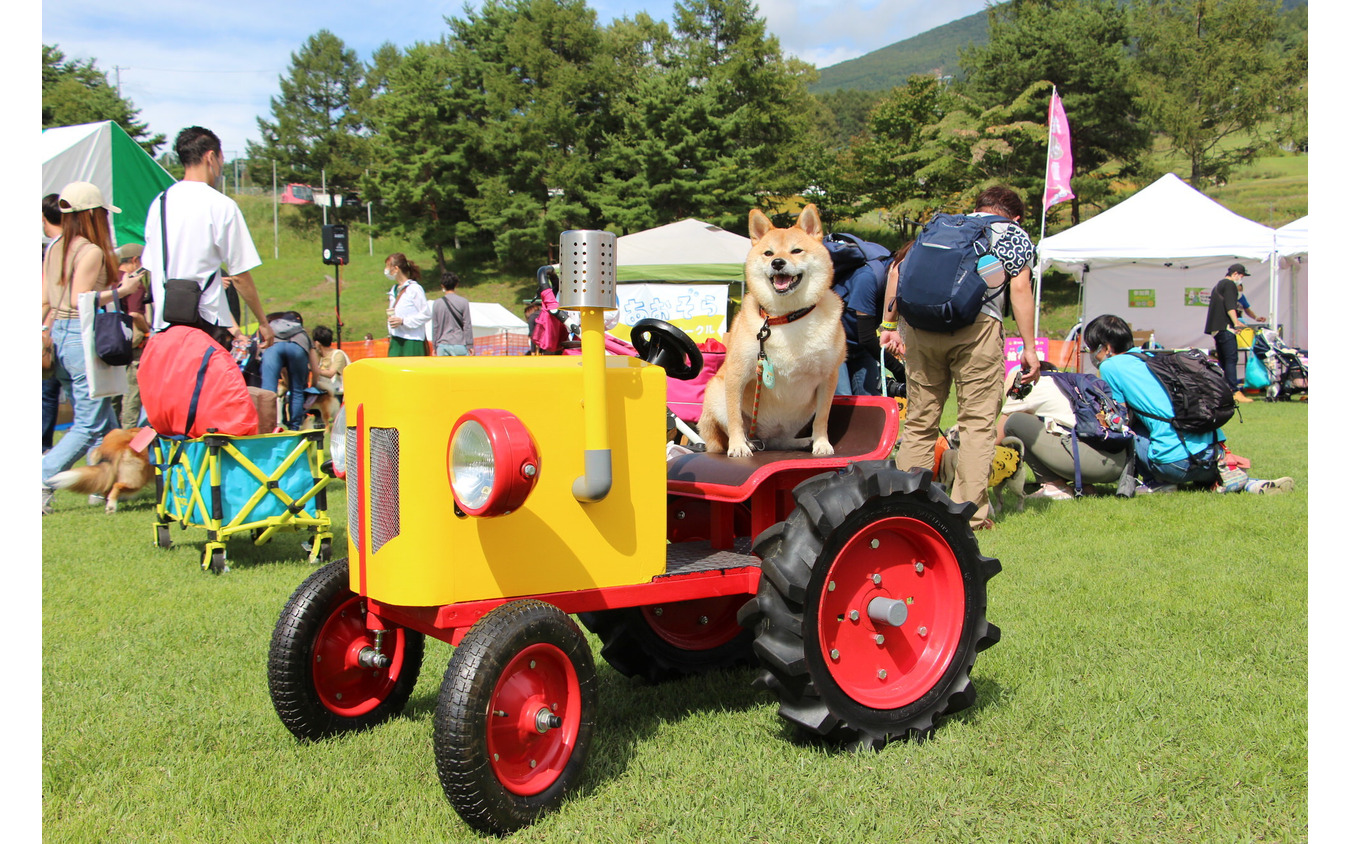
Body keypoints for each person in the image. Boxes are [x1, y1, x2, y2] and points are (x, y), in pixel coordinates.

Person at [887, 186, 1041, 530]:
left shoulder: (943, 225)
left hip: (923, 327)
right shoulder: (1011, 233)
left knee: (919, 422)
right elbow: (1019, 288)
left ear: (980, 207)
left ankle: (904, 510)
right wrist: (1029, 348)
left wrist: (891, 324)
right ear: (1015, 216)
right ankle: (967, 519)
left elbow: (897, 270)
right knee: (977, 425)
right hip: (977, 328)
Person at [1085, 314, 1292, 494]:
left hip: (1171, 465)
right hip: (1211, 457)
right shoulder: (1151, 357)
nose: (1092, 354)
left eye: (1092, 348)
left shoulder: (1111, 366)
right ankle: (1250, 485)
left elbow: (1121, 417)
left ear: (1107, 348)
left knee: (1128, 428)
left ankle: (1155, 483)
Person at [41, 181, 143, 514]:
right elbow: (80, 300)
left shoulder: (55, 246)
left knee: (107, 423)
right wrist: (123, 289)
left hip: (58, 336)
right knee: (87, 425)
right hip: (80, 338)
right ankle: (41, 479)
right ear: (93, 215)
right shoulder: (91, 250)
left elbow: (46, 298)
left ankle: (100, 488)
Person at [141, 126, 274, 351]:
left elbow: (150, 264)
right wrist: (263, 322)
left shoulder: (160, 203)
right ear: (211, 157)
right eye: (221, 160)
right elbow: (239, 274)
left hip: (165, 323)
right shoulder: (221, 205)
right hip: (205, 324)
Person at [996, 364, 1130, 500]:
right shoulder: (1066, 383)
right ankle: (1086, 486)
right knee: (1060, 428)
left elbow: (996, 440)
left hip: (1091, 464)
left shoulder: (1030, 387)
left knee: (1015, 422)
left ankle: (1055, 486)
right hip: (1118, 464)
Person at [260, 312, 321, 430]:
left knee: (268, 391)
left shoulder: (272, 330)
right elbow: (315, 369)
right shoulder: (303, 334)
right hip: (298, 348)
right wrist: (312, 387)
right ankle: (295, 427)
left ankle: (267, 427)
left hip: (273, 347)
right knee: (297, 390)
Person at [1203, 263, 1253, 404]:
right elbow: (1230, 306)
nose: (1241, 279)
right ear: (1236, 274)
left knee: (1224, 360)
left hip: (1216, 329)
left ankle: (1224, 390)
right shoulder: (1230, 285)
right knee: (1231, 359)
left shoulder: (1218, 285)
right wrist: (1236, 322)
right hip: (1226, 329)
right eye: (1242, 276)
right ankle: (1234, 390)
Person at [114, 243, 152, 428]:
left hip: (110, 345)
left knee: (113, 395)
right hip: (132, 345)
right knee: (131, 394)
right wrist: (147, 331)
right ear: (136, 260)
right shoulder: (133, 283)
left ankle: (109, 436)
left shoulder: (111, 280)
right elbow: (135, 314)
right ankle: (126, 438)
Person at [42, 193, 64, 453]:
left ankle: (45, 451)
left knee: (47, 394)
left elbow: (48, 298)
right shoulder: (75, 245)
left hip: (54, 332)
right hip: (68, 331)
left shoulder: (55, 248)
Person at [384, 253, 431, 357]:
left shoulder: (414, 289)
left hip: (412, 339)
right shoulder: (394, 290)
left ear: (396, 269)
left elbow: (426, 314)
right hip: (396, 337)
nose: (386, 270)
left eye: (388, 266)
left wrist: (403, 321)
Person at [429, 270, 474, 356]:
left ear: (442, 285)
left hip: (442, 344)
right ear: (456, 284)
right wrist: (470, 345)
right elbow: (467, 325)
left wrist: (434, 346)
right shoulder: (463, 302)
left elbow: (435, 327)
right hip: (459, 343)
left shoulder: (437, 303)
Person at [311, 325, 349, 424]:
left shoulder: (338, 355)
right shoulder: (318, 356)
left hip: (338, 393)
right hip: (323, 392)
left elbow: (331, 373)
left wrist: (313, 369)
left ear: (317, 343)